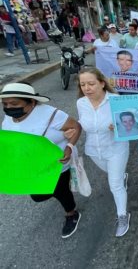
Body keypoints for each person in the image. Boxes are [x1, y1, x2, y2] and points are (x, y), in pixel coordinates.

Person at [0, 82, 82, 238]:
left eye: (14, 104)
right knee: (38, 196)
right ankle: (61, 190)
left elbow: (76, 127)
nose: (9, 108)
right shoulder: (9, 117)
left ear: (31, 102)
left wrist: (69, 147)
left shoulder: (51, 115)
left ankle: (71, 213)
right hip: (32, 166)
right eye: (5, 104)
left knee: (60, 191)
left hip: (56, 164)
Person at [76, 68, 130, 237]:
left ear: (101, 83)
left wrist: (119, 127)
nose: (87, 88)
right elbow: (82, 124)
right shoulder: (81, 103)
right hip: (93, 151)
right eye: (83, 84)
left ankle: (122, 215)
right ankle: (122, 176)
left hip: (116, 148)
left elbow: (130, 124)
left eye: (91, 84)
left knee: (114, 184)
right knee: (114, 175)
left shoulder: (115, 100)